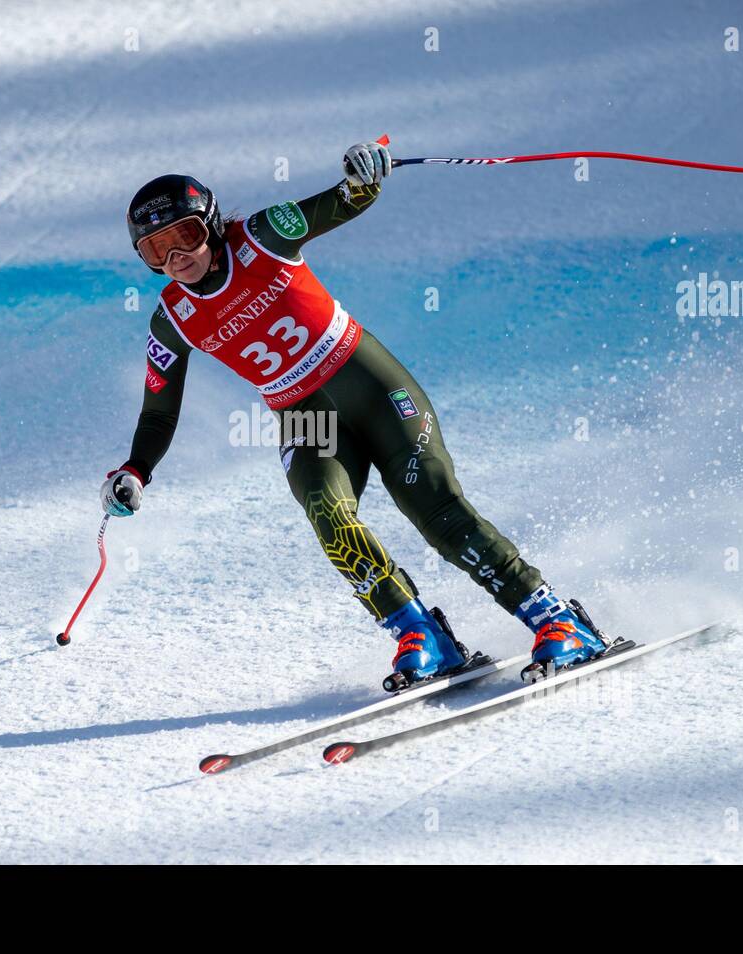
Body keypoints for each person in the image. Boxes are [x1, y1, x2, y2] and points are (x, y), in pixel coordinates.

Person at [103, 139, 614, 688]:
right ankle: (418, 632)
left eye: (185, 236)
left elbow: (344, 202)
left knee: (436, 510)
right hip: (305, 416)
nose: (177, 257)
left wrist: (362, 175)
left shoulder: (262, 236)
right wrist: (135, 469)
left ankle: (554, 617)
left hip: (367, 384)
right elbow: (159, 413)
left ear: (211, 223)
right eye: (158, 251)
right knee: (328, 513)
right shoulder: (172, 320)